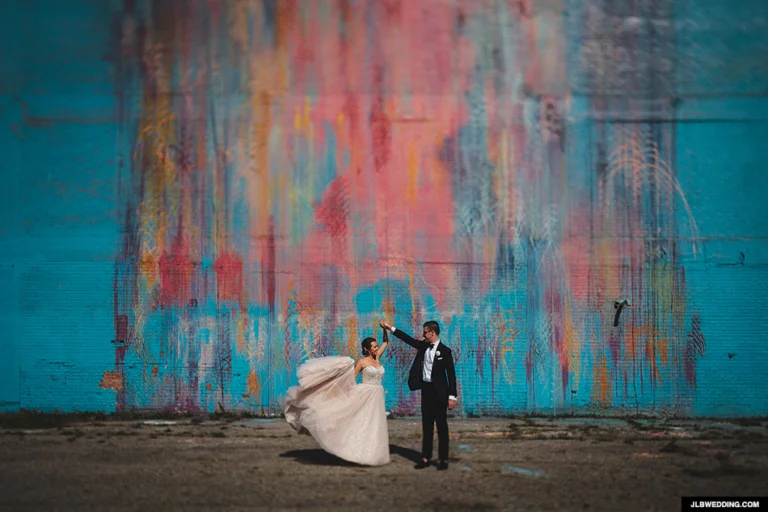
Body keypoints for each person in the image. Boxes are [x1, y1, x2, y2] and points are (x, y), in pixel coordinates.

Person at [284, 327, 390, 466]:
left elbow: (386, 342)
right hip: (365, 394)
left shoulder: (377, 358)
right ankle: (354, 450)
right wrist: (340, 389)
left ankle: (372, 453)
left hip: (377, 396)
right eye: (374, 347)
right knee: (361, 422)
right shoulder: (362, 362)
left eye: (377, 347)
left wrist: (385, 328)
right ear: (367, 349)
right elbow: (351, 378)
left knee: (375, 424)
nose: (377, 349)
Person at [379, 319, 457, 470]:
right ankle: (426, 458)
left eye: (425, 332)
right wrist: (390, 328)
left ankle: (443, 460)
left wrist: (452, 397)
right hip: (426, 391)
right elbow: (407, 339)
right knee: (427, 426)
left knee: (442, 427)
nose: (423, 334)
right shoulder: (423, 346)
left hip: (440, 394)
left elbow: (451, 375)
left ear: (432, 333)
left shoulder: (446, 351)